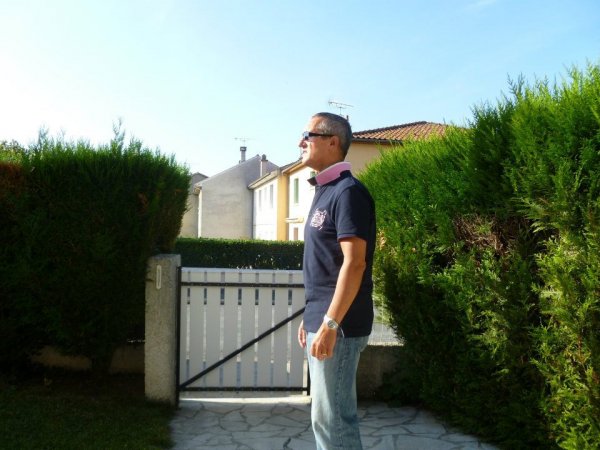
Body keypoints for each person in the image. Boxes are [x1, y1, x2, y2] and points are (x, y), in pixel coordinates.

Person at [297, 112, 376, 450]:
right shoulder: (325, 190)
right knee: (325, 418)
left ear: (333, 142)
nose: (300, 142)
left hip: (339, 325)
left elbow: (354, 263)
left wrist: (329, 324)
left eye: (308, 135)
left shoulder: (348, 193)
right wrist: (310, 317)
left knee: (334, 421)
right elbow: (324, 265)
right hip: (323, 319)